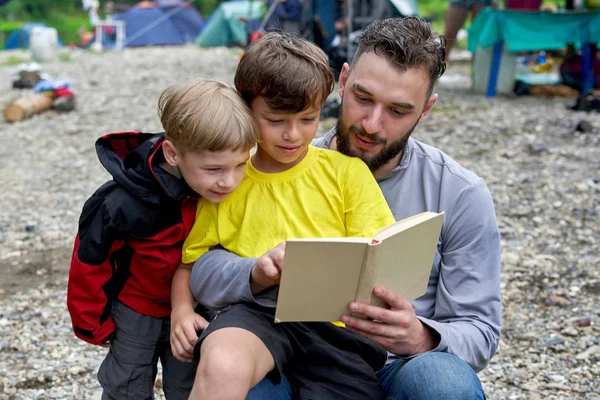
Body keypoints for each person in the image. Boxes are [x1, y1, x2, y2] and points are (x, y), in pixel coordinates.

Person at [189, 17, 502, 399]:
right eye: (363, 98)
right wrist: (253, 273)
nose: (372, 124)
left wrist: (419, 335)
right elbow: (200, 264)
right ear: (342, 81)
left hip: (394, 364)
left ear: (426, 109)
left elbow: (480, 331)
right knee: (242, 378)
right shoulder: (267, 162)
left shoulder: (460, 193)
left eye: (398, 111)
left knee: (444, 382)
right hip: (283, 349)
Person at [171, 31, 396, 399]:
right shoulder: (227, 181)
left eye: (308, 119)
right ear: (246, 109)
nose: (293, 135)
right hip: (256, 315)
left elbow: (380, 254)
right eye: (276, 121)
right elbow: (193, 263)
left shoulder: (346, 173)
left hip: (336, 328)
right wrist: (183, 309)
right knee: (222, 364)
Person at [66, 78, 260, 399]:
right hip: (135, 311)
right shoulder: (120, 202)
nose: (229, 181)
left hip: (197, 309)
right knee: (126, 385)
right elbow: (89, 261)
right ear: (172, 153)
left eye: (240, 164)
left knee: (190, 383)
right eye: (214, 169)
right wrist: (92, 322)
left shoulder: (225, 190)